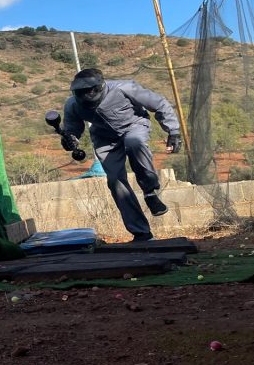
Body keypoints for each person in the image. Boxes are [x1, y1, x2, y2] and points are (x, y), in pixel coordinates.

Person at [61, 68, 183, 242]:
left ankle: (150, 191)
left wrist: (173, 131)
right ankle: (141, 232)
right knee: (115, 181)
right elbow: (72, 128)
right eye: (80, 93)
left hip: (134, 125)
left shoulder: (124, 88)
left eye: (89, 92)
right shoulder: (72, 104)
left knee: (135, 142)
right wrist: (70, 139)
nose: (86, 96)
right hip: (104, 138)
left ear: (100, 87)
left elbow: (159, 103)